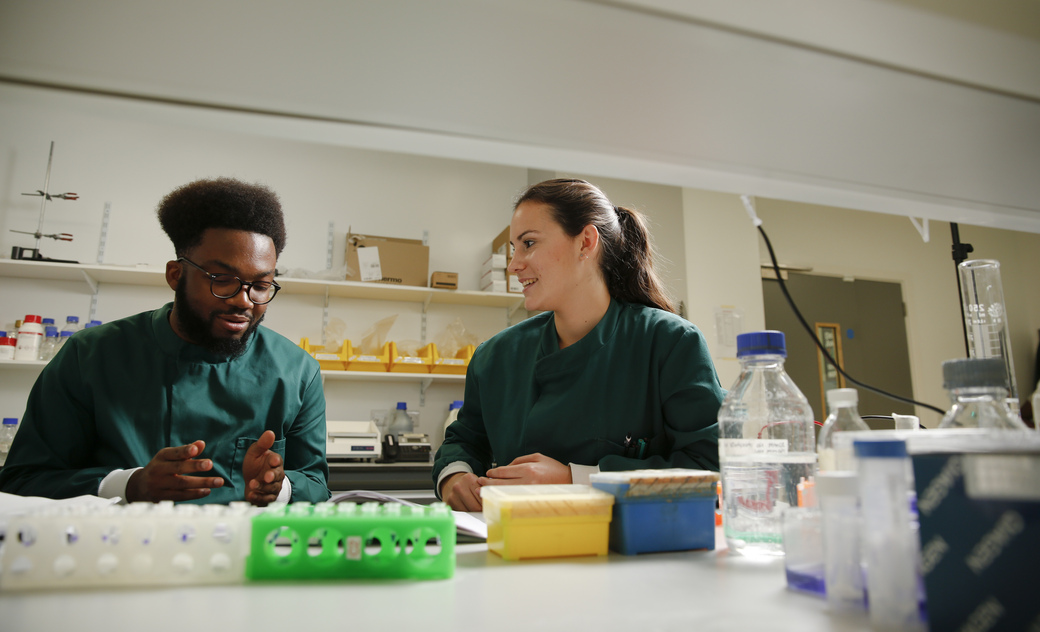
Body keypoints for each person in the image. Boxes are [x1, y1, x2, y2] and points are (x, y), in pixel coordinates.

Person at [0, 177, 329, 506]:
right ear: (176, 274)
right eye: (223, 280)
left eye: (260, 285)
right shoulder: (90, 356)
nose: (244, 300)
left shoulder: (297, 372)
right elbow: (23, 480)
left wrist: (279, 487)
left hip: (245, 553)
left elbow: (315, 483)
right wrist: (128, 485)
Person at [434, 178, 725, 511]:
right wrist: (454, 477)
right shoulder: (496, 356)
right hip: (516, 551)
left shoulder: (670, 343)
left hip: (634, 556)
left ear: (585, 242)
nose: (514, 264)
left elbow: (709, 470)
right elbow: (464, 440)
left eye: (528, 243)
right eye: (514, 248)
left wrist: (577, 480)